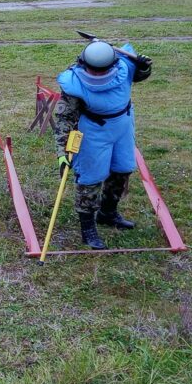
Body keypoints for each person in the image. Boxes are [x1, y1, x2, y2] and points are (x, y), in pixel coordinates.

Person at [55, 41, 152, 249]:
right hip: (93, 132)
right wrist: (62, 153)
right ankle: (88, 228)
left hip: (122, 127)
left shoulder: (124, 67)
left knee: (123, 169)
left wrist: (144, 67)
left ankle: (108, 213)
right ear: (84, 64)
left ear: (112, 65)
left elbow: (138, 76)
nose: (98, 75)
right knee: (90, 178)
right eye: (93, 70)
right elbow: (65, 119)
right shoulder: (74, 82)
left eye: (103, 71)